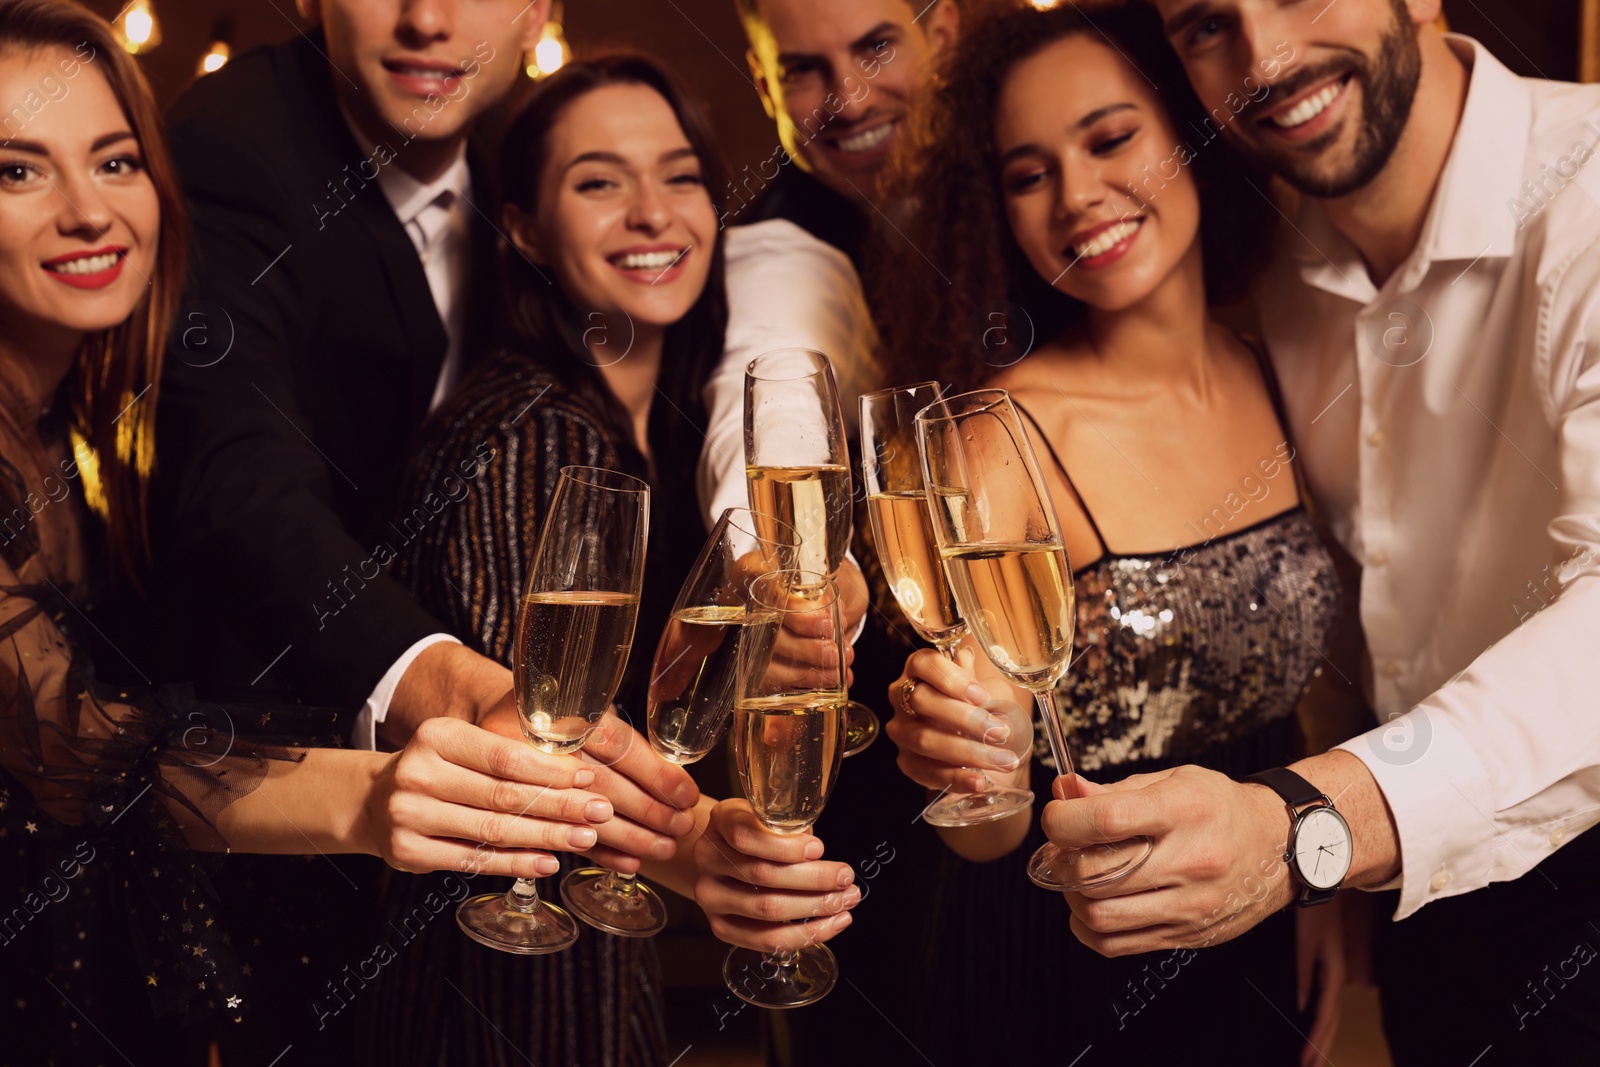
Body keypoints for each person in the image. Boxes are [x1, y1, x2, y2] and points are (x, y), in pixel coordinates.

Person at [0, 3, 654, 1062]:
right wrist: (386, 783)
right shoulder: (242, 138)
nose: (87, 210)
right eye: (16, 171)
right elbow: (69, 743)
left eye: (114, 160)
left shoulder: (510, 146)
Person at [1041, 1, 1600, 1062]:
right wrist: (1342, 861)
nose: (1267, 56)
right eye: (1208, 24)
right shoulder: (1266, 263)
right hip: (1423, 890)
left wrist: (1306, 824)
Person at [355, 55, 861, 1066]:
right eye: (598, 181)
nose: (651, 213)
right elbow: (536, 763)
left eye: (679, 177)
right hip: (500, 981)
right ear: (525, 229)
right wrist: (701, 853)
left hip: (584, 948)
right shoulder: (535, 433)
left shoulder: (644, 430)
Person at [876, 3, 1347, 1061]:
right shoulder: (997, 436)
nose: (1077, 195)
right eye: (1027, 172)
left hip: (1254, 914)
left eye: (1110, 137)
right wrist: (975, 757)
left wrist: (1311, 865)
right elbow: (989, 826)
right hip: (1065, 967)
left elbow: (1298, 698)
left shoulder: (1268, 364)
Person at [731, 0, 960, 269]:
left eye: (878, 47)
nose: (851, 105)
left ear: (943, 41)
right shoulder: (753, 276)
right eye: (804, 69)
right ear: (766, 87)